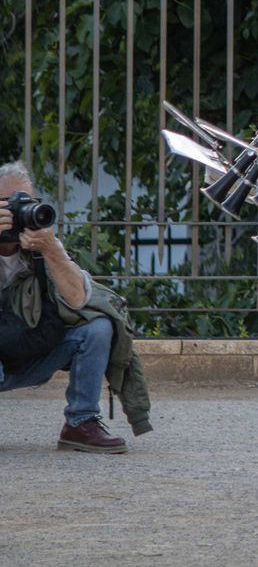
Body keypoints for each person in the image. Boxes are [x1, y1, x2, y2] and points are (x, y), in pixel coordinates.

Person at [0, 162, 150, 453]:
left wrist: (51, 250)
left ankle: (81, 424)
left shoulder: (41, 245)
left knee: (97, 327)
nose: (18, 211)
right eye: (7, 204)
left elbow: (80, 300)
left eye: (25, 202)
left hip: (30, 350)